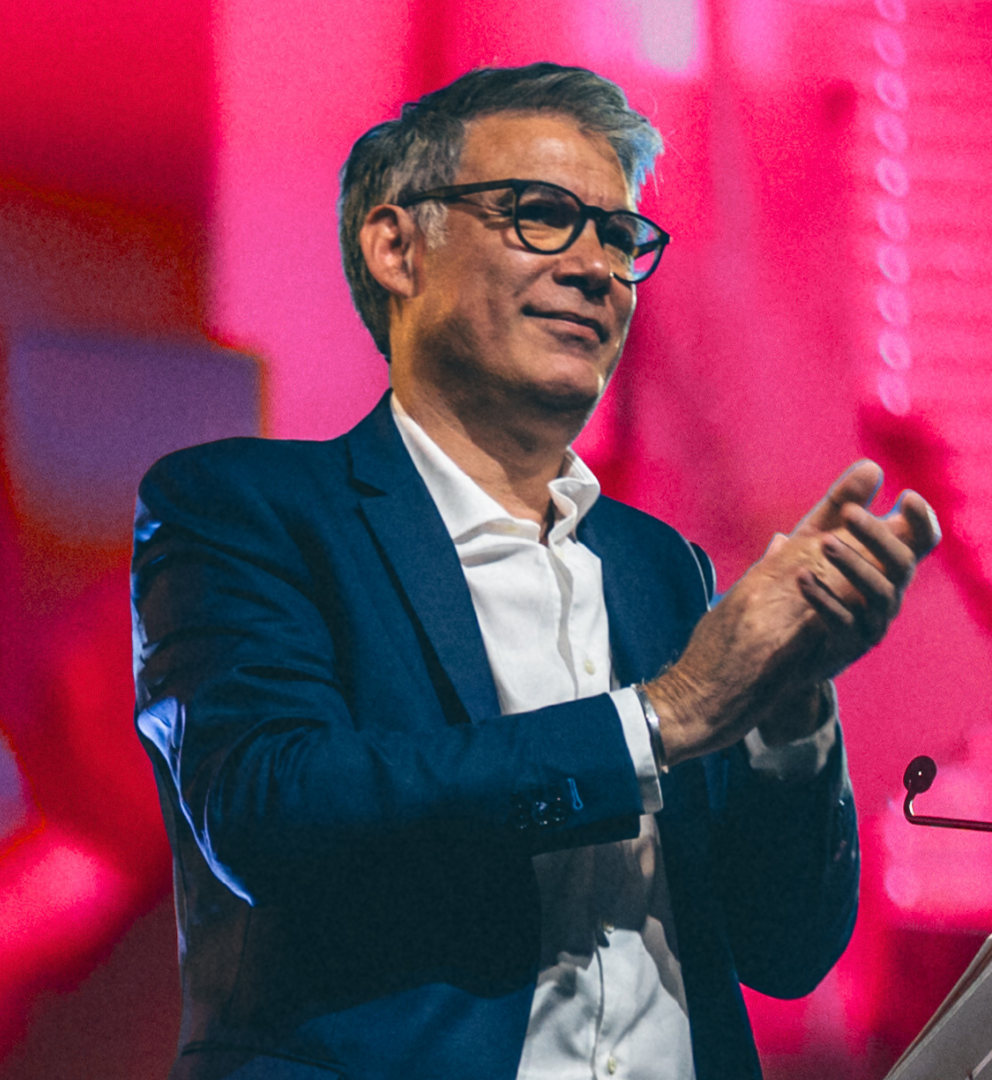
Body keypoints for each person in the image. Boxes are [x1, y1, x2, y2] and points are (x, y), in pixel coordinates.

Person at [132, 64, 939, 1080]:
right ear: (395, 246)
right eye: (543, 216)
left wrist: (784, 708)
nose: (597, 266)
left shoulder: (659, 570)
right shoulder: (247, 508)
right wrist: (657, 719)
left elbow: (782, 950)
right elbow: (268, 812)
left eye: (618, 234)